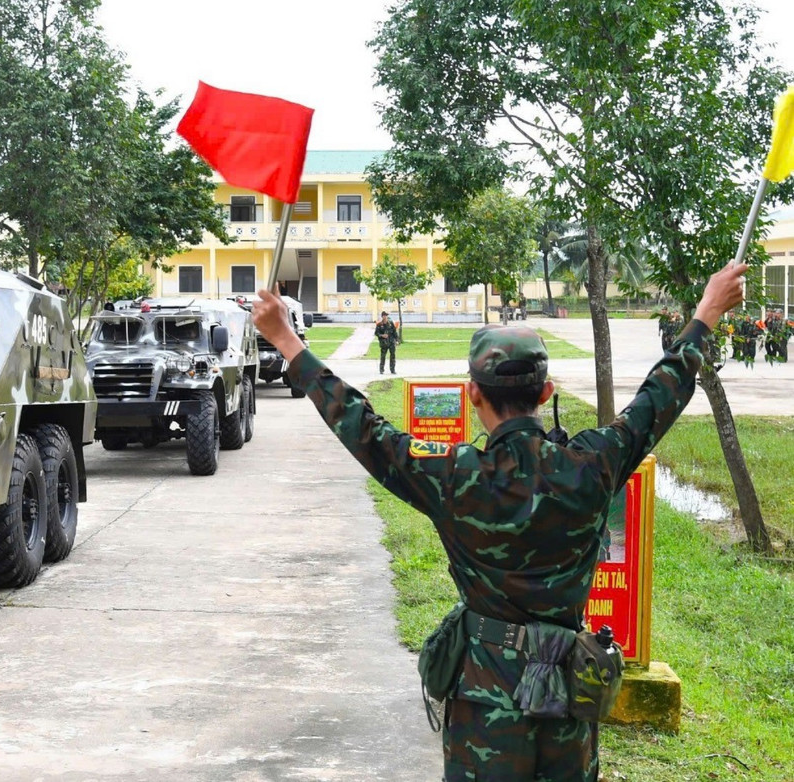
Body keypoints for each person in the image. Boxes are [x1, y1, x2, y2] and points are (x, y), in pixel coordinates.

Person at [250, 263, 747, 782]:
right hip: (569, 695)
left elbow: (364, 428)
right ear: (547, 391)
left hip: (484, 699)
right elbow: (657, 399)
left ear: (474, 395)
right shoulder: (593, 463)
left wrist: (287, 339)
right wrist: (707, 310)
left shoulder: (453, 476)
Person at [374, 310, 399, 375]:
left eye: (386, 316)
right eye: (384, 316)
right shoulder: (379, 324)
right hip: (384, 343)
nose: (385, 317)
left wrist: (396, 340)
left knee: (392, 356)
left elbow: (394, 332)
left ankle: (392, 370)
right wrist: (382, 335)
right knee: (383, 356)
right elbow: (376, 333)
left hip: (391, 342)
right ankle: (381, 370)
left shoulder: (390, 323)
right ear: (382, 316)